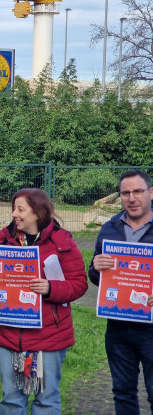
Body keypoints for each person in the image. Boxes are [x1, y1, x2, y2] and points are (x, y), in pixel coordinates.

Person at [0, 188, 87, 414]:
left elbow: (79, 284)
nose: (14, 214)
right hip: (10, 336)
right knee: (11, 400)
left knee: (46, 400)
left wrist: (50, 288)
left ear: (38, 213)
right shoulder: (4, 240)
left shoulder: (61, 242)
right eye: (13, 208)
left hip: (48, 338)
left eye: (20, 209)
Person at [89, 169, 153, 415]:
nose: (132, 198)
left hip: (151, 328)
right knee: (123, 393)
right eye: (126, 193)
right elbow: (95, 276)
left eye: (138, 191)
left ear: (150, 193)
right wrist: (95, 267)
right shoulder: (109, 229)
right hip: (118, 327)